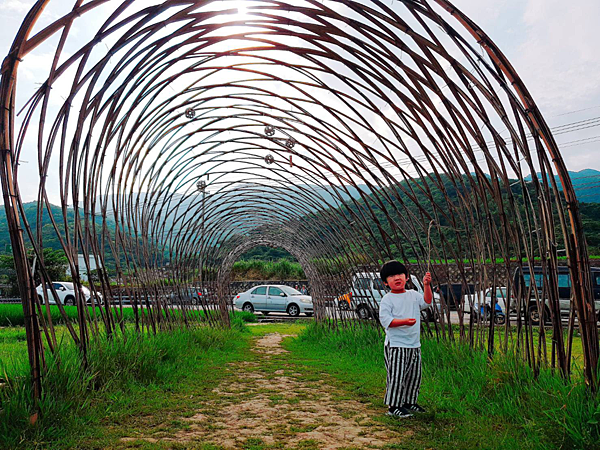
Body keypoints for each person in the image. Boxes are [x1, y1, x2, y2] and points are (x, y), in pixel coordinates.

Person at [378, 260, 432, 418]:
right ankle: (393, 405)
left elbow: (427, 302)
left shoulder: (413, 295)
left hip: (414, 344)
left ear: (407, 277)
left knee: (414, 376)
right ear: (385, 282)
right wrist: (405, 322)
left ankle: (409, 402)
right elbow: (386, 321)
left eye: (400, 274)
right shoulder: (387, 300)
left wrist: (426, 285)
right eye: (391, 276)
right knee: (397, 376)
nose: (397, 278)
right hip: (396, 345)